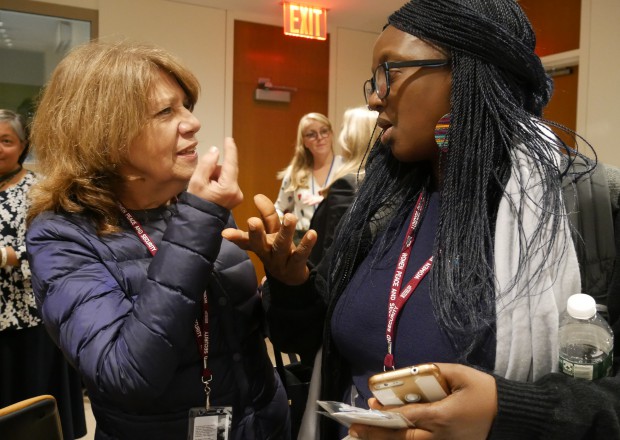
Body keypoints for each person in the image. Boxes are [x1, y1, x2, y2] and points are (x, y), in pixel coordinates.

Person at [223, 0, 620, 439]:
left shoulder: (587, 204)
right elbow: (320, 344)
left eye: (388, 72)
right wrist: (291, 284)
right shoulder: (379, 201)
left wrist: (506, 411)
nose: (374, 97)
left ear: (466, 72)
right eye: (372, 80)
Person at [25, 41, 289, 440]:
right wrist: (199, 219)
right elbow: (127, 375)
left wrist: (290, 283)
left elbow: (252, 335)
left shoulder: (194, 207)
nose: (192, 122)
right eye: (167, 111)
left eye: (186, 105)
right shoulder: (61, 234)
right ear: (105, 133)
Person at [0, 109, 86, 440]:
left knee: (34, 417)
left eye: (6, 141)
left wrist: (7, 256)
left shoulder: (41, 190)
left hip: (31, 319)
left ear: (22, 146)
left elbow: (57, 251)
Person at [308, 107, 378, 267]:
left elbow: (332, 252)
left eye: (342, 130)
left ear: (352, 138)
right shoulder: (376, 182)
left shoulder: (346, 185)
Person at [274, 113, 344, 243]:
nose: (319, 138)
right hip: (301, 241)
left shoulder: (346, 169)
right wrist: (285, 228)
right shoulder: (295, 173)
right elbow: (279, 208)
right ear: (304, 141)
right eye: (311, 134)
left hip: (336, 240)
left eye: (324, 131)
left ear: (331, 134)